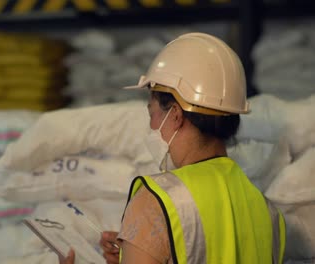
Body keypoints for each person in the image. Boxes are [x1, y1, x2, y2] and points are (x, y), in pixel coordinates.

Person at [60, 32, 286, 264]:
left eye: (152, 113)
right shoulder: (266, 210)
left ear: (175, 115)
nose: (151, 125)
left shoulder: (158, 201)